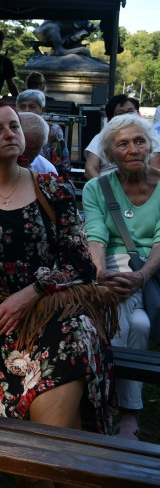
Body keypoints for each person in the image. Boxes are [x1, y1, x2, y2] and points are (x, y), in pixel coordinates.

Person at [0, 103, 117, 436]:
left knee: (73, 339)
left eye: (14, 127)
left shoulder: (53, 188)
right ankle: (48, 469)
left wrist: (32, 293)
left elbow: (82, 263)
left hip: (50, 306)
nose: (10, 134)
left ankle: (40, 467)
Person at [82, 114, 159, 441]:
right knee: (139, 326)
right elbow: (96, 234)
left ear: (150, 146)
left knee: (123, 318)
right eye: (123, 144)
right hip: (110, 267)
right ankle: (130, 411)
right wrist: (99, 272)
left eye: (139, 141)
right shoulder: (95, 187)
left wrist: (141, 275)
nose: (133, 149)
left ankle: (105, 401)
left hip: (152, 270)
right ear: (110, 155)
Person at [84, 94, 160, 179]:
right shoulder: (101, 138)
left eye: (131, 111)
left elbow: (155, 169)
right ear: (111, 118)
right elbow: (90, 169)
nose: (127, 116)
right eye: (120, 113)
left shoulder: (151, 136)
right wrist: (103, 189)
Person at [16, 89, 70, 180]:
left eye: (32, 107)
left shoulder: (52, 130)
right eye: (22, 107)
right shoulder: (11, 128)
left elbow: (59, 163)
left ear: (42, 110)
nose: (26, 110)